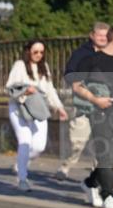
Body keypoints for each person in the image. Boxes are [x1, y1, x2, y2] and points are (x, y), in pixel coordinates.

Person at [73, 23, 113, 208]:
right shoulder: (92, 60)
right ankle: (108, 195)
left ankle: (90, 182)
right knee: (104, 155)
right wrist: (95, 100)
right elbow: (76, 86)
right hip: (99, 113)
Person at [6, 41, 68, 191]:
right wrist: (26, 90)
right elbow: (10, 87)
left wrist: (59, 107)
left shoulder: (44, 67)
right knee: (25, 141)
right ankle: (22, 179)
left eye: (41, 52)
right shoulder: (20, 65)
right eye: (35, 52)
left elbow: (50, 89)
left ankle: (21, 162)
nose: (39, 55)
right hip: (19, 108)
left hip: (38, 108)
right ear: (28, 51)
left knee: (39, 146)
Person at [58, 22, 110, 180]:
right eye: (100, 35)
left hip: (104, 105)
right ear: (92, 35)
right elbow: (70, 75)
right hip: (82, 104)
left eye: (106, 35)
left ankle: (96, 179)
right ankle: (66, 165)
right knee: (77, 143)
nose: (103, 38)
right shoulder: (81, 53)